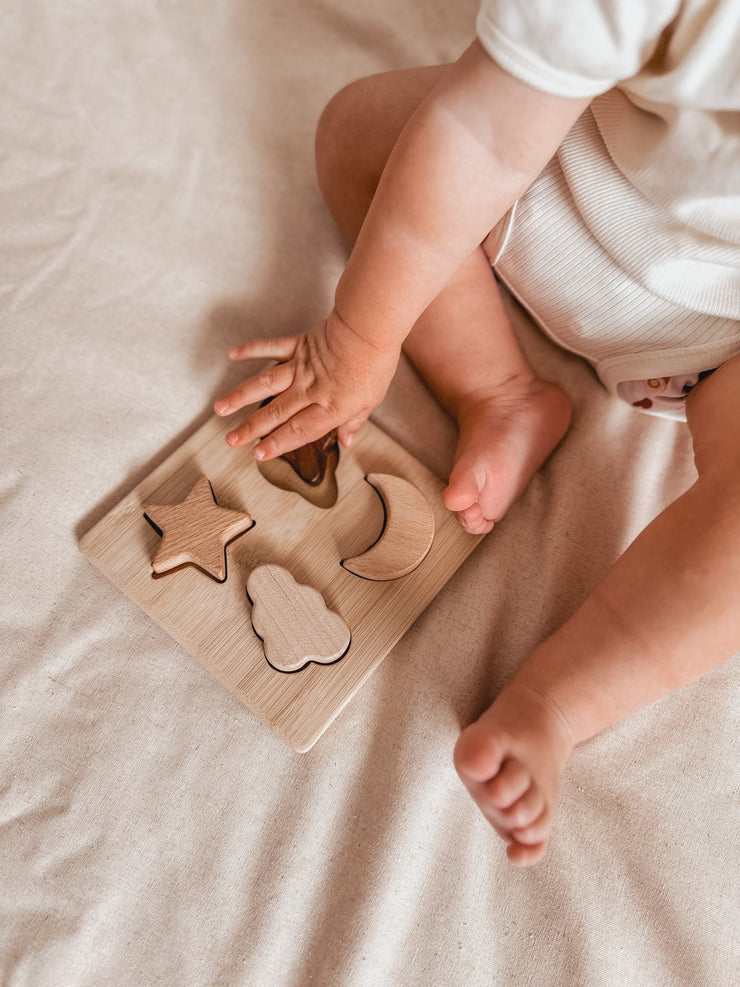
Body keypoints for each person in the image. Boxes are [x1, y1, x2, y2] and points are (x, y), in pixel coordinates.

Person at [213, 0, 740, 864]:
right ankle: (498, 392)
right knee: (363, 130)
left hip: (725, 343)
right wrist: (359, 334)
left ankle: (561, 703)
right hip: (567, 180)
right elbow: (484, 133)